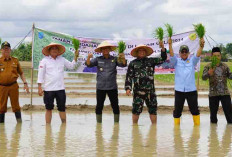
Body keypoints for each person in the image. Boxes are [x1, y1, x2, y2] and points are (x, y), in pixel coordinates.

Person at [125, 42, 167, 124]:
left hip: (150, 91)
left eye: (143, 50)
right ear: (137, 53)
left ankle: (154, 128)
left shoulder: (151, 61)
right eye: (140, 50)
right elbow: (129, 76)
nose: (142, 52)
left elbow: (163, 58)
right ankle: (134, 128)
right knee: (136, 110)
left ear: (146, 52)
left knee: (153, 110)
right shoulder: (133, 63)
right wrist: (128, 88)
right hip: (138, 91)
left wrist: (162, 48)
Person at [85, 40, 127, 123]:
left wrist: (123, 58)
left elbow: (123, 65)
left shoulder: (115, 59)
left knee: (115, 106)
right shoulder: (97, 59)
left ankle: (116, 124)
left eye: (107, 49)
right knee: (99, 106)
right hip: (101, 87)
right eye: (103, 49)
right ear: (101, 51)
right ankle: (99, 125)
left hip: (112, 87)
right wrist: (89, 57)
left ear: (110, 50)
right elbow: (88, 65)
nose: (105, 50)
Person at [37, 43, 79, 124]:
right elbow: (40, 74)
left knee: (62, 108)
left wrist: (75, 57)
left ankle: (64, 126)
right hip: (49, 89)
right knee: (48, 108)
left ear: (58, 51)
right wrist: (39, 87)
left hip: (60, 88)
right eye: (52, 48)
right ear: (49, 51)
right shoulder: (44, 61)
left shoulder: (62, 59)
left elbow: (71, 66)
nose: (54, 50)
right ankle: (48, 127)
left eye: (56, 48)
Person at [169, 37, 205, 125]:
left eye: (186, 52)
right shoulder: (176, 62)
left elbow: (197, 54)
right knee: (177, 111)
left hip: (191, 90)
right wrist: (170, 44)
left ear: (188, 53)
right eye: (182, 52)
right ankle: (176, 132)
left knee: (195, 110)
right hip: (179, 90)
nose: (184, 53)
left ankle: (197, 131)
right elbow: (172, 54)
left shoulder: (192, 61)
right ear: (180, 53)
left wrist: (201, 46)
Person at [0, 41, 29, 123]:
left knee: (16, 106)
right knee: (1, 107)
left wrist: (25, 83)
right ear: (1, 50)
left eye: (7, 48)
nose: (6, 50)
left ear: (10, 50)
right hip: (2, 87)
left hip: (13, 86)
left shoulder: (15, 61)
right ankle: (1, 127)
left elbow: (21, 73)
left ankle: (19, 124)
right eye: (4, 48)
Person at [202, 47, 232, 124]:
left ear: (220, 56)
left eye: (218, 55)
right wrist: (209, 73)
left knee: (230, 116)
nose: (217, 57)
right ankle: (213, 133)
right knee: (213, 117)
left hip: (225, 93)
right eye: (215, 56)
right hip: (213, 94)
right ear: (212, 56)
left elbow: (230, 76)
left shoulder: (225, 66)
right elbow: (203, 78)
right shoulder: (208, 66)